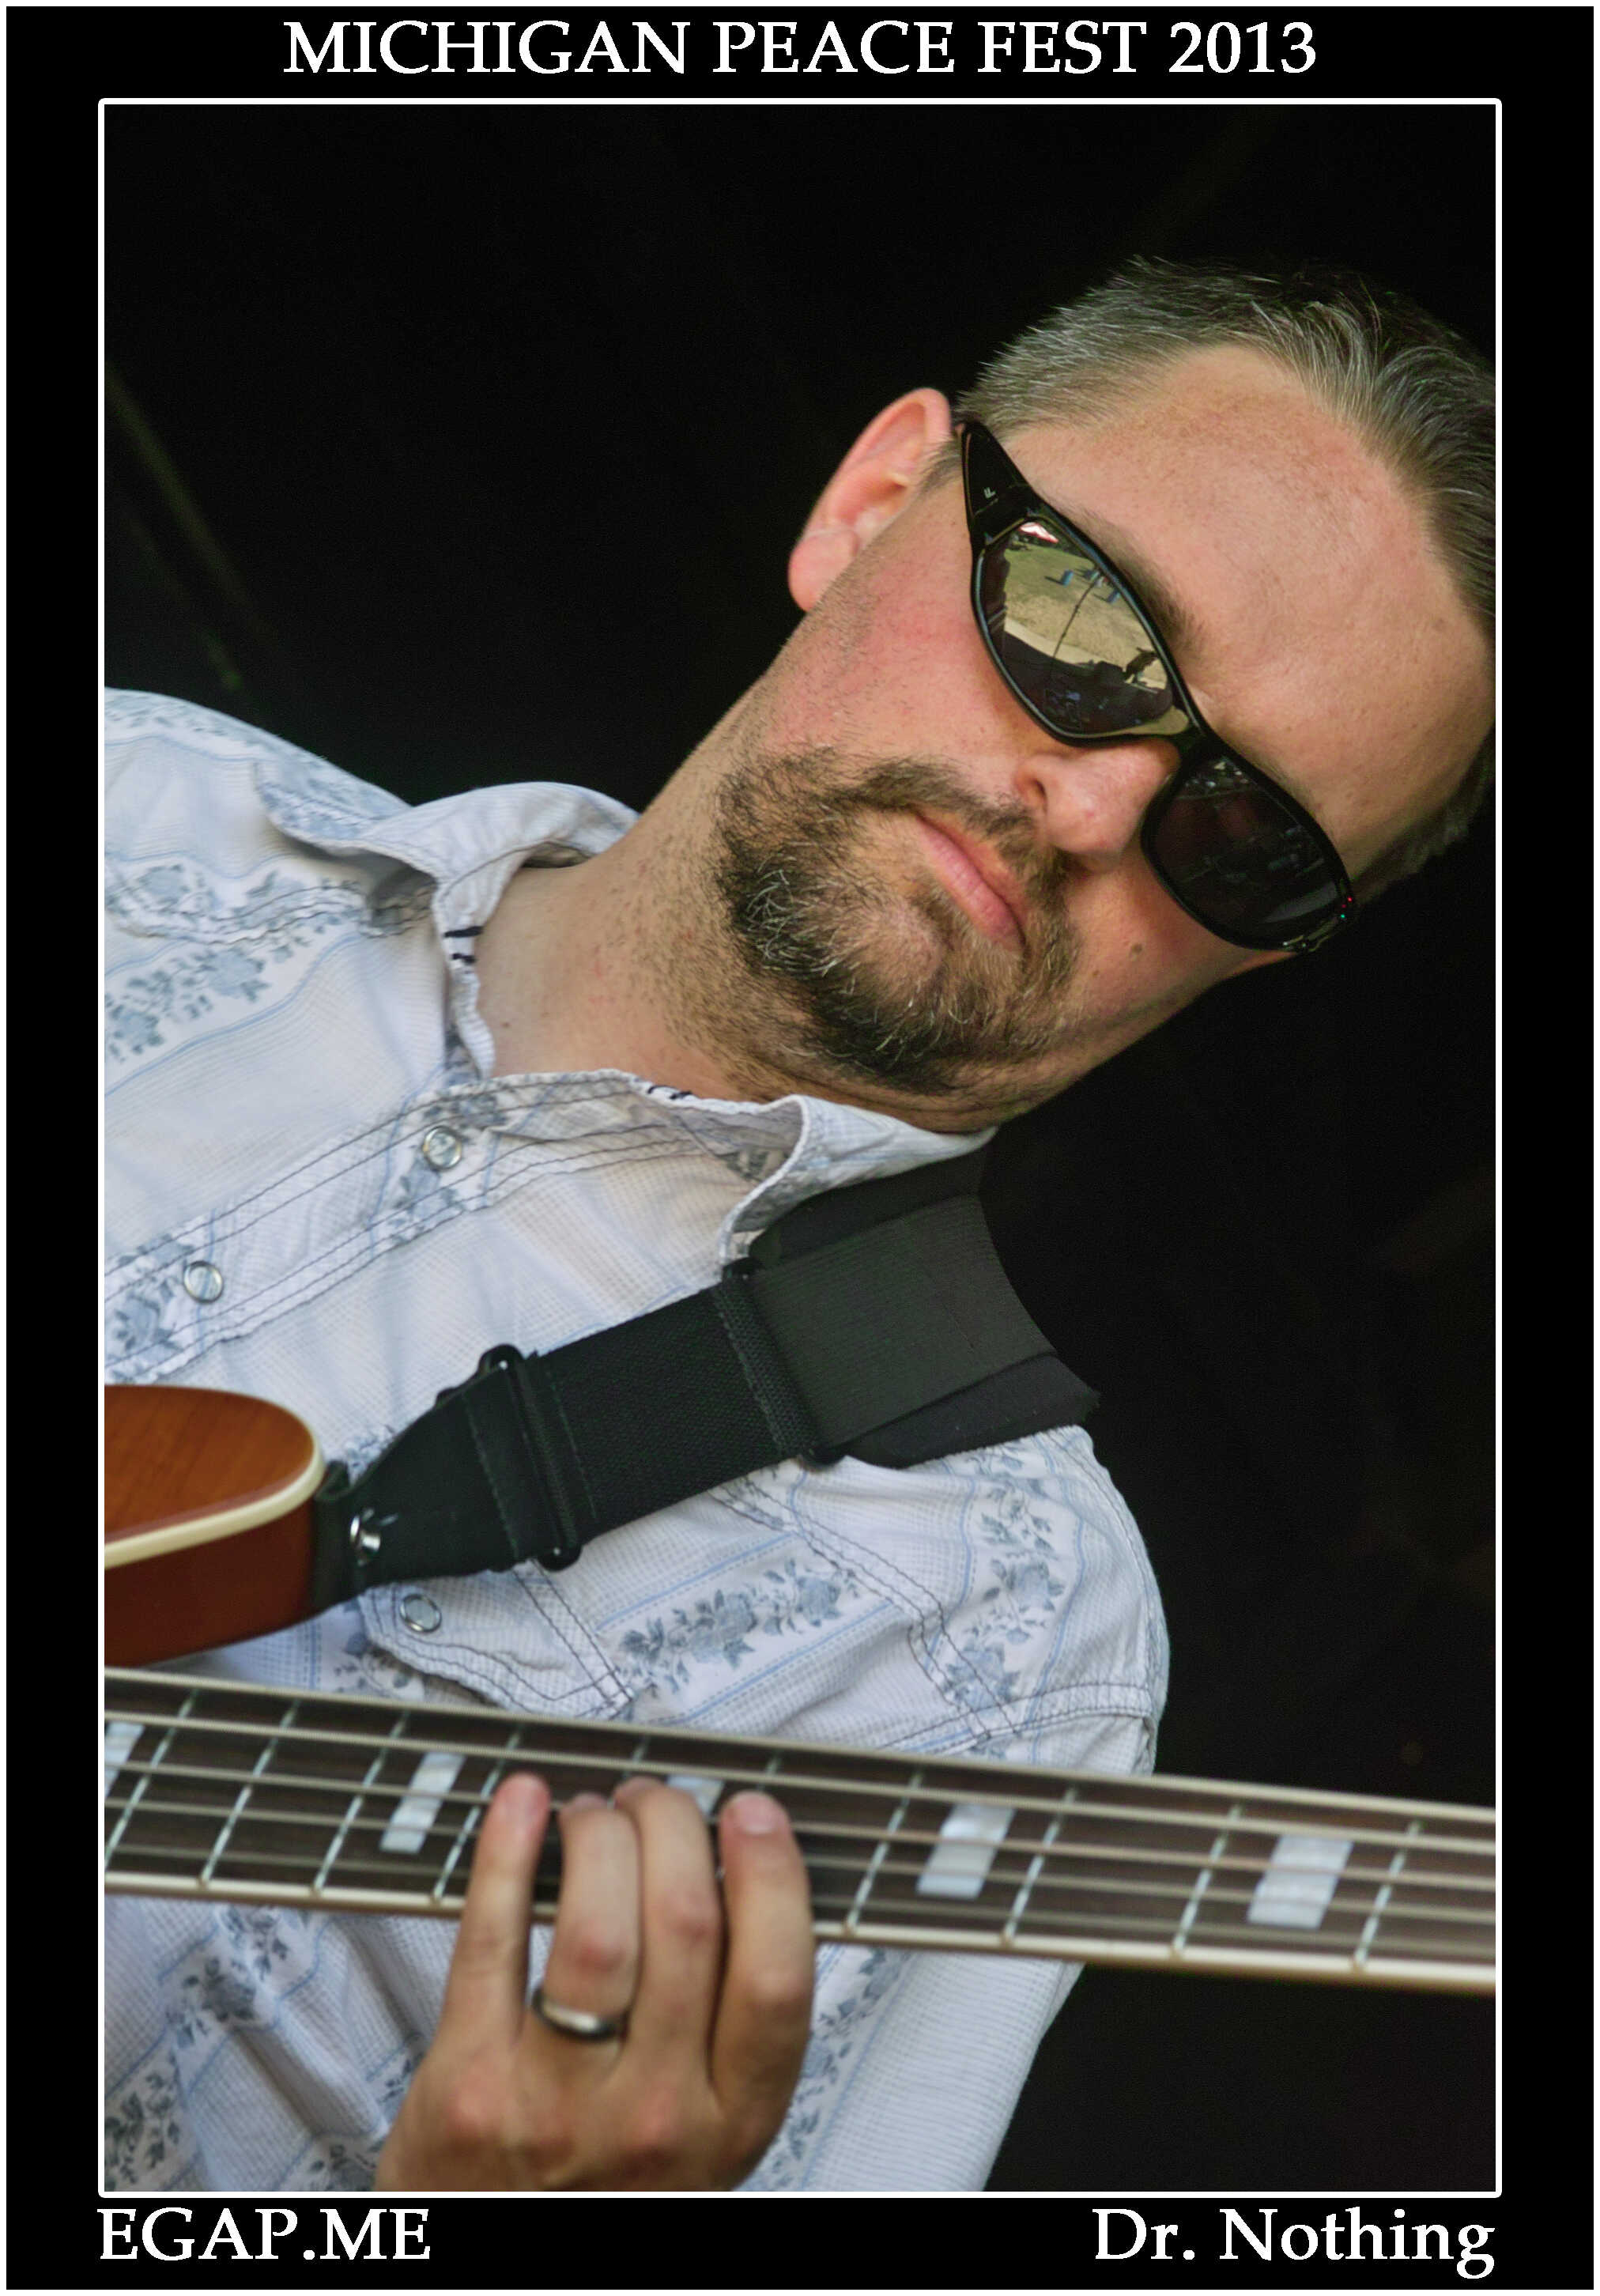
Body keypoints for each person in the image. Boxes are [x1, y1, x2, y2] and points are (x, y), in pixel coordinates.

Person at [104, 259, 1494, 2193]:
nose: (1092, 809)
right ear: (872, 499)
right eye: (1086, 624)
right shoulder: (130, 805)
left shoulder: (1002, 1658)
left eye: (1245, 837)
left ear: (1259, 959)